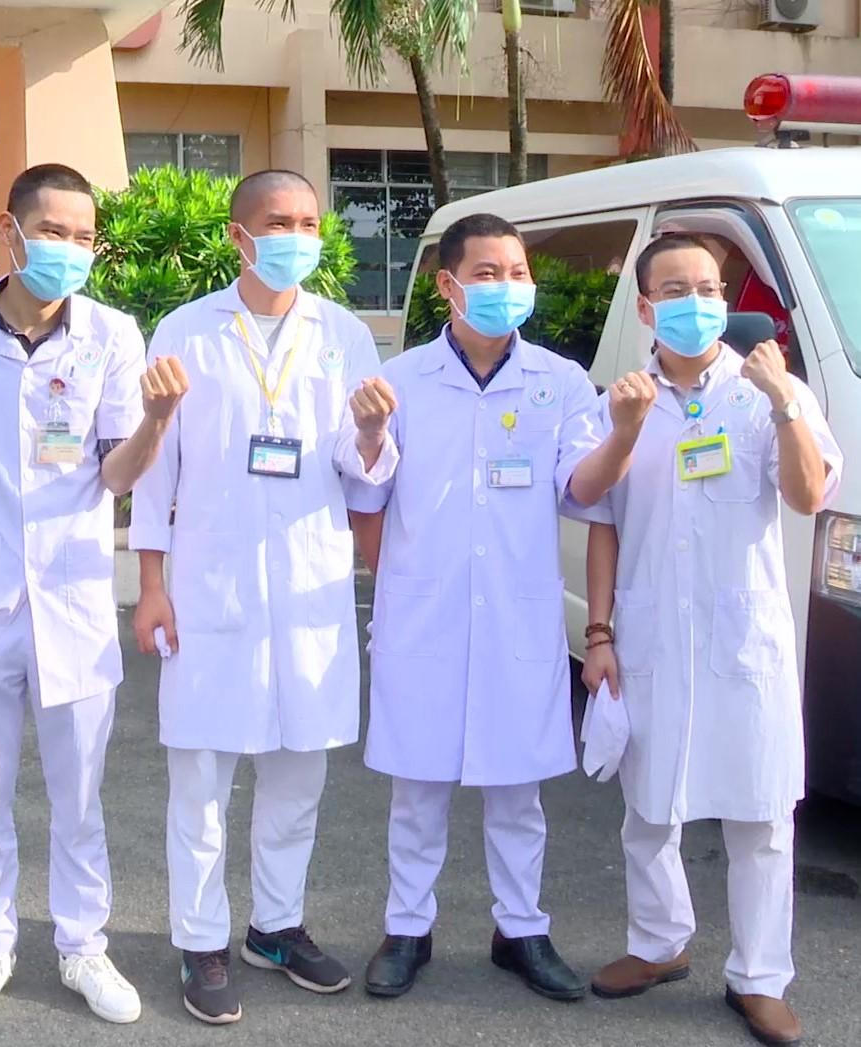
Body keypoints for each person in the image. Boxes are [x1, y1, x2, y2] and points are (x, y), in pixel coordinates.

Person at [0, 163, 189, 1028]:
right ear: (10, 234)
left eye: (83, 235)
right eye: (53, 232)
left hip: (73, 596)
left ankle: (82, 946)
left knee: (78, 793)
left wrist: (157, 420)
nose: (69, 249)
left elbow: (116, 473)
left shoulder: (112, 334)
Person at [346, 213, 658, 1002]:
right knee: (418, 789)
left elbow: (581, 488)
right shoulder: (402, 380)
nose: (507, 286)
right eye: (488, 273)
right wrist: (372, 433)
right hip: (424, 617)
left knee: (519, 791)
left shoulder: (560, 381)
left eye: (518, 272)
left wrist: (622, 436)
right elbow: (367, 495)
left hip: (517, 616)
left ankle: (521, 929)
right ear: (448, 285)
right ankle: (406, 927)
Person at [130, 169, 384, 1025]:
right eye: (279, 222)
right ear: (239, 236)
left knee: (297, 773)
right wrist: (151, 585)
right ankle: (201, 941)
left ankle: (275, 926)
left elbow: (364, 471)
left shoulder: (344, 333)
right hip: (212, 589)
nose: (296, 237)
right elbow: (156, 470)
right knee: (201, 781)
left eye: (309, 223)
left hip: (309, 592)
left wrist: (374, 433)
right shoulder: (186, 330)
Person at [579, 234, 841, 1047]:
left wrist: (784, 400)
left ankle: (760, 977)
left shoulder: (767, 390)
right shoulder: (622, 400)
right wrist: (598, 631)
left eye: (708, 288)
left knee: (762, 813)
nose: (696, 302)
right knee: (648, 804)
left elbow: (806, 495)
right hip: (651, 632)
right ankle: (659, 942)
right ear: (646, 306)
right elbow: (600, 520)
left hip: (743, 638)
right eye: (675, 290)